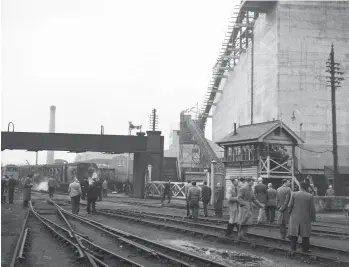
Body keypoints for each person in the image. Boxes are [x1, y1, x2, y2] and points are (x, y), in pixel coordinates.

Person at [288, 181, 316, 253]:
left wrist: (289, 213)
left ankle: (293, 249)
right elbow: (312, 208)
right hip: (305, 217)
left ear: (300, 186)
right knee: (305, 234)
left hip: (294, 217)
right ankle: (305, 249)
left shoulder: (294, 194)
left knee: (294, 234)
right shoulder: (310, 196)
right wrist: (312, 217)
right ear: (306, 188)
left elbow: (289, 206)